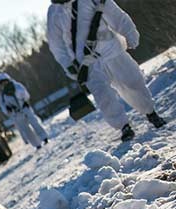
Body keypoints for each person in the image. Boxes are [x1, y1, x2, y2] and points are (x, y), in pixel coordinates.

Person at [47, 0, 167, 141]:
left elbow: (115, 15)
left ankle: (151, 112)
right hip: (86, 62)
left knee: (132, 81)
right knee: (103, 96)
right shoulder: (54, 12)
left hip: (111, 49)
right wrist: (68, 66)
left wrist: (129, 32)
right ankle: (124, 126)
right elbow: (56, 44)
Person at [0, 72, 49, 150]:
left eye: (4, 81)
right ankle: (36, 144)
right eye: (1, 83)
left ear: (8, 80)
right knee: (26, 130)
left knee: (35, 123)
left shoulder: (17, 86)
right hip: (16, 114)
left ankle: (44, 137)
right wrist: (7, 109)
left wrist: (25, 101)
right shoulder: (2, 95)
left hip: (25, 108)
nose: (4, 84)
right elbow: (2, 106)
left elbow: (26, 94)